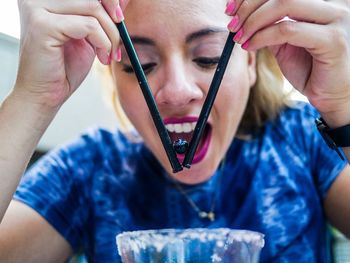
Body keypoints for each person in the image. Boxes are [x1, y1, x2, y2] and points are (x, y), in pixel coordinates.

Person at [1, 0, 350, 261]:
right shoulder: (90, 170)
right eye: (144, 64)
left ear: (250, 61)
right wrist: (33, 98)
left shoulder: (304, 140)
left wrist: (344, 105)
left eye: (209, 57)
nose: (176, 92)